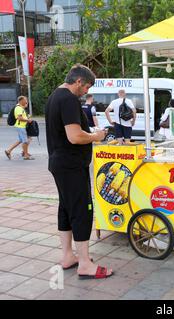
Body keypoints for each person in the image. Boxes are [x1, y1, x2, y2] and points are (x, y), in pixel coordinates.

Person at [45, 64, 112, 279]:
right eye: (87, 87)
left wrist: (89, 134)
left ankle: (67, 256)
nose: (87, 92)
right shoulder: (69, 99)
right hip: (71, 166)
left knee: (66, 209)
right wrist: (97, 136)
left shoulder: (55, 96)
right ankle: (84, 263)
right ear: (79, 82)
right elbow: (74, 136)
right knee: (82, 210)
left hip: (59, 163)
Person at [4, 96, 34, 160]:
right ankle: (26, 155)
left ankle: (8, 151)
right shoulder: (18, 108)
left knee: (22, 140)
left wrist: (27, 116)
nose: (26, 101)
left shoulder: (21, 108)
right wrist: (28, 120)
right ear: (21, 101)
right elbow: (19, 118)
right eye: (25, 100)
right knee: (25, 141)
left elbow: (22, 116)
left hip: (21, 126)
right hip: (20, 127)